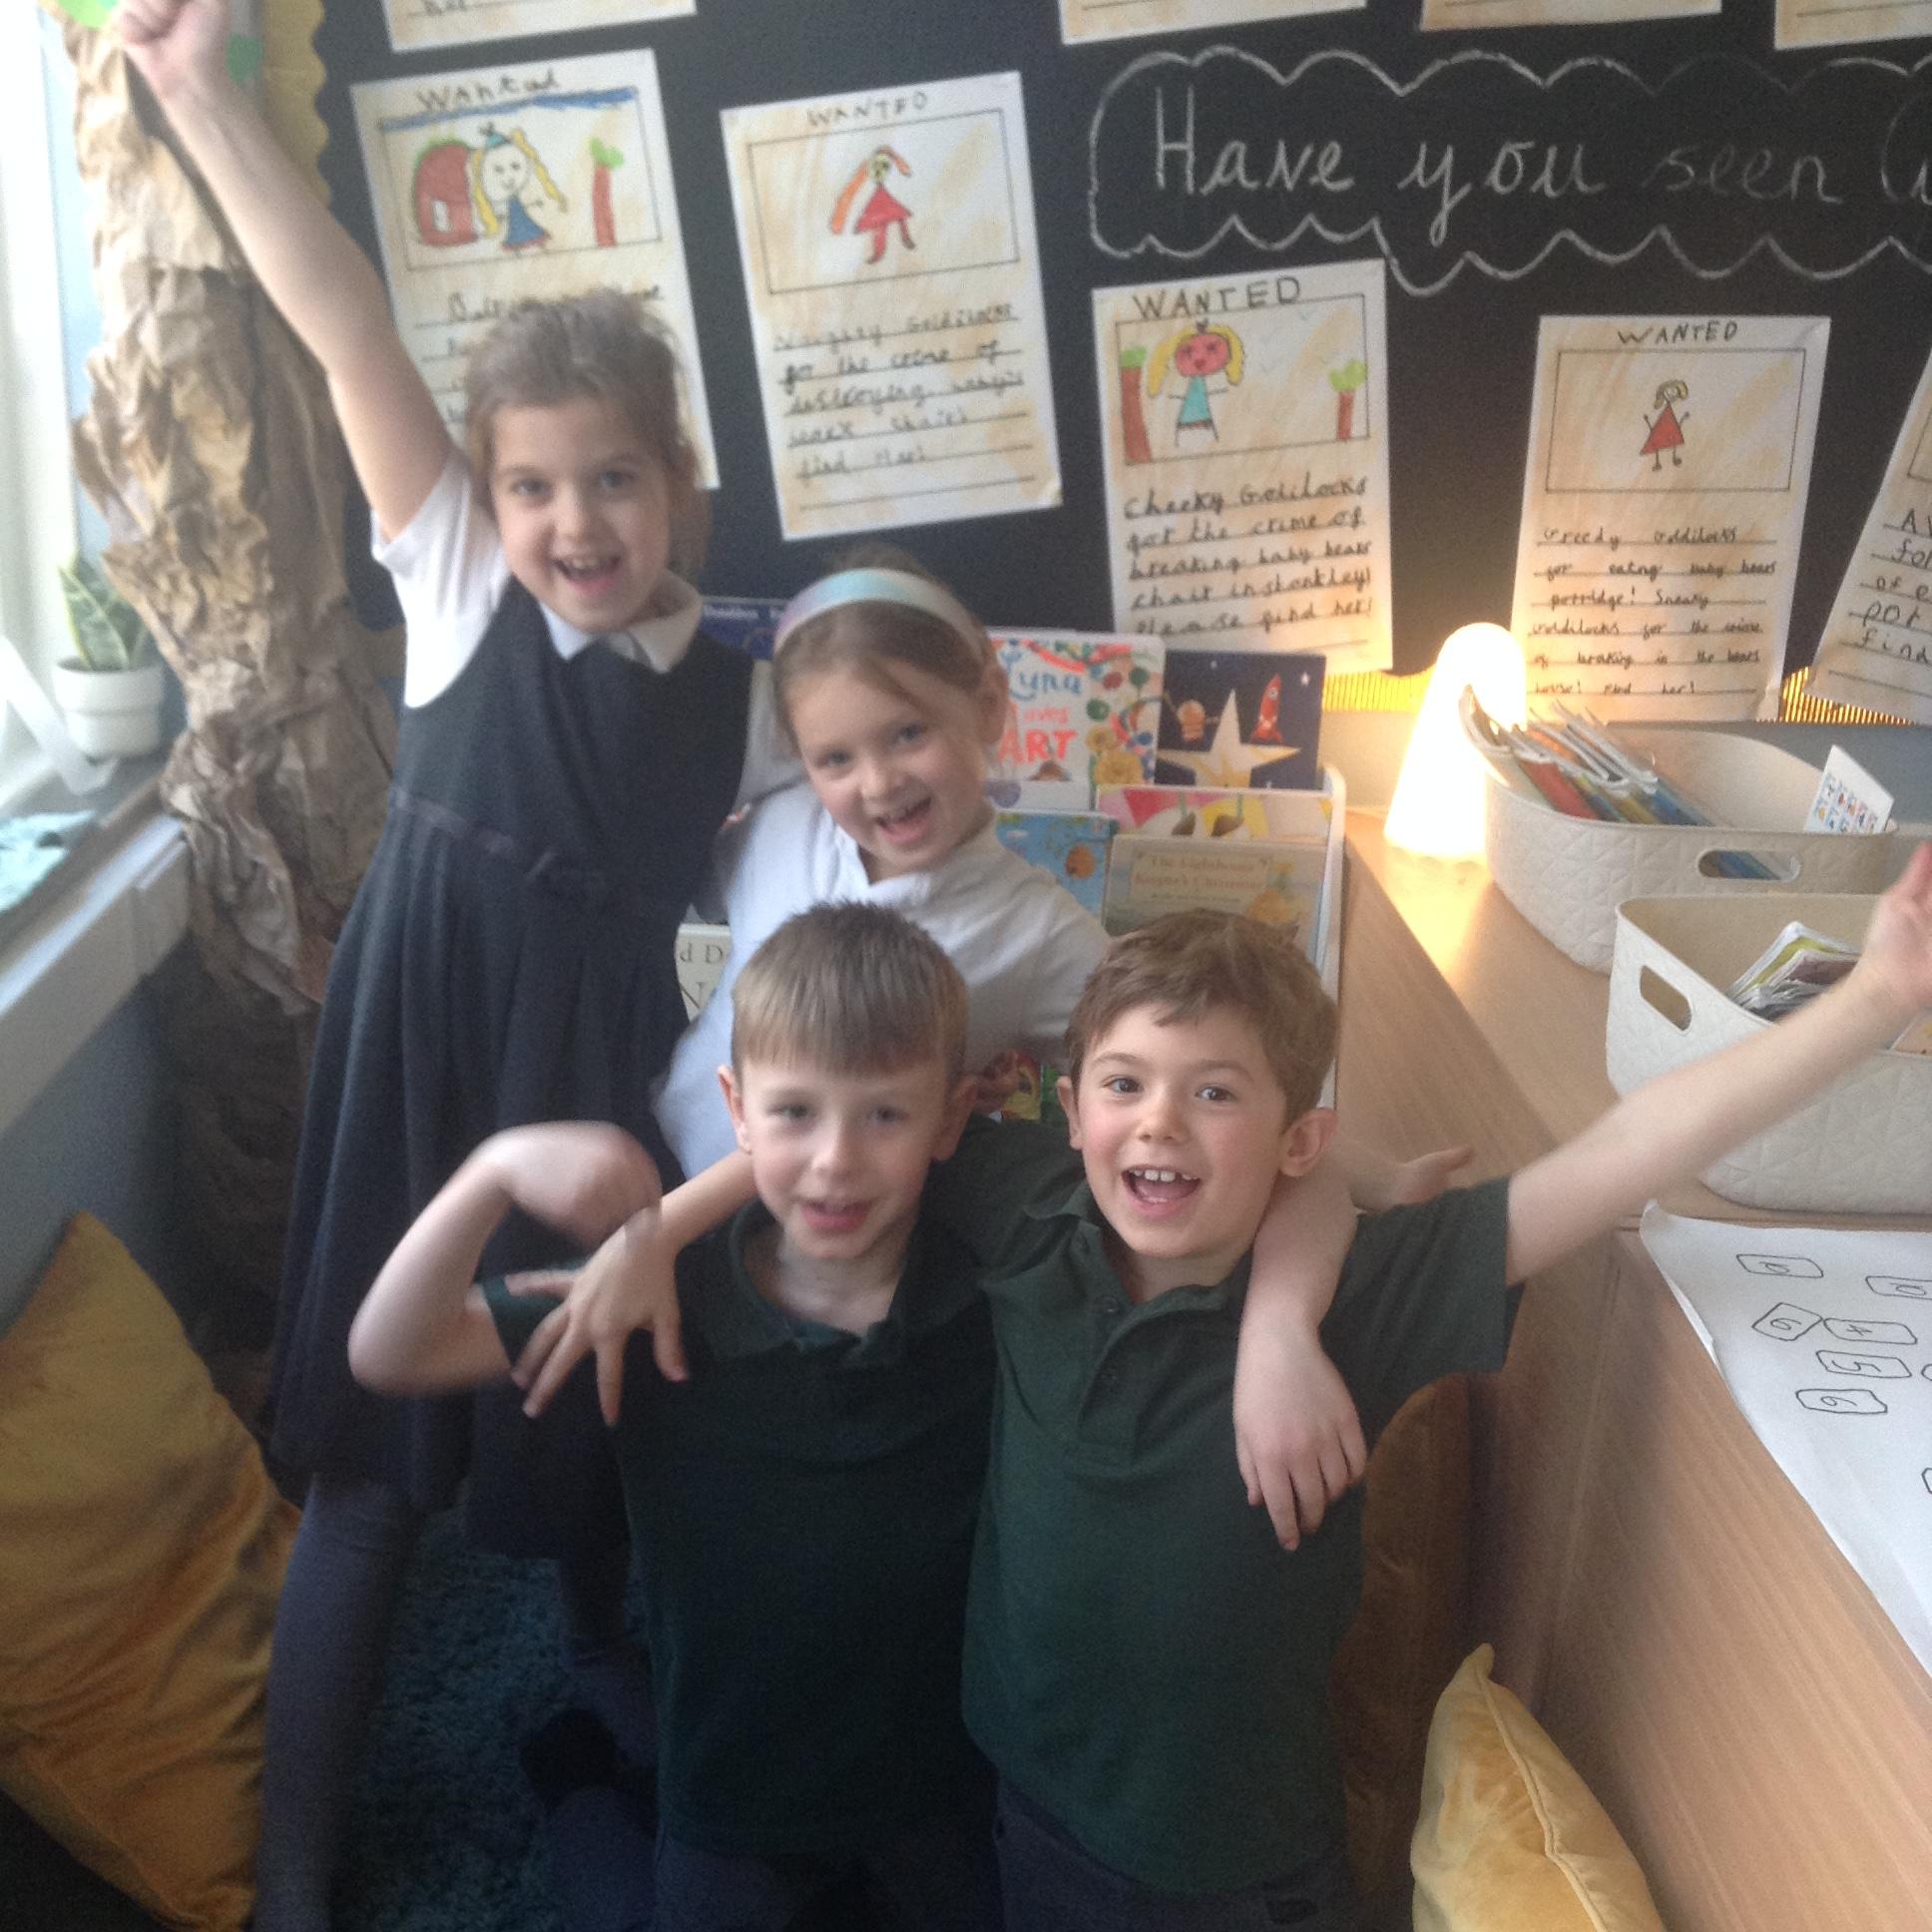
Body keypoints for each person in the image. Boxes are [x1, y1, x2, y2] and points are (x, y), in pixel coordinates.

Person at [585, 852, 1932, 1930]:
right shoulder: (1023, 1206)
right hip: (1017, 1803)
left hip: (1227, 1869)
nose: (1158, 1121)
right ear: (1069, 1105)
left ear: (1298, 1140)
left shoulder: (1365, 1295)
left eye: (1213, 1093)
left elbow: (1623, 1150)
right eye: (1125, 1085)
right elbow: (833, 1125)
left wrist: (1872, 998)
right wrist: (655, 1229)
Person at [119, 4, 790, 1926]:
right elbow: (344, 324)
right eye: (537, 485)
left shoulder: (738, 700)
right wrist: (201, 98)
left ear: (678, 486)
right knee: (369, 1459)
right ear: (486, 503)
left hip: (594, 1078)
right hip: (421, 1053)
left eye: (615, 480)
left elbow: (830, 864)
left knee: (591, 1391)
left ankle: (602, 1658)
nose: (576, 521)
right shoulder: (458, 585)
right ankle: (296, 1863)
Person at [582, 548, 1468, 1548]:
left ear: (989, 706)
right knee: (631, 1436)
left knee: (760, 1483)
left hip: (822, 1250)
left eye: (908, 733)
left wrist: (1377, 1176)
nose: (878, 782)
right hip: (658, 1186)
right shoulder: (777, 829)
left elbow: (1218, 1084)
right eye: (835, 757)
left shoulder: (1038, 934)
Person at [344, 905, 1002, 1931]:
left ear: (950, 1120)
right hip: (729, 1786)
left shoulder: (989, 1293)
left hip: (929, 1776)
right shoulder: (656, 1290)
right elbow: (392, 1351)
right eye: (795, 1113)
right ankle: (580, 1790)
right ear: (735, 1109)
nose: (835, 1159)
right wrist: (493, 1171)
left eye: (884, 1116)